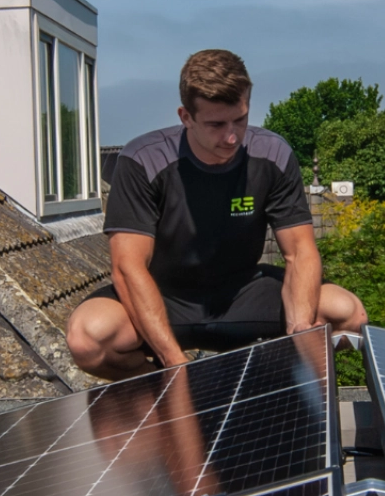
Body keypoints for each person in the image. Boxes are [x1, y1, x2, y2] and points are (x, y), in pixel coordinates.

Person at [66, 49, 367, 380]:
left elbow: (301, 253)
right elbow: (128, 269)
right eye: (216, 124)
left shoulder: (273, 154)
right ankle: (158, 394)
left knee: (347, 314)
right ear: (185, 117)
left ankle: (269, 388)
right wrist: (175, 365)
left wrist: (299, 330)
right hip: (165, 298)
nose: (232, 136)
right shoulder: (143, 160)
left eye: (240, 119)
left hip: (243, 292)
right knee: (87, 338)